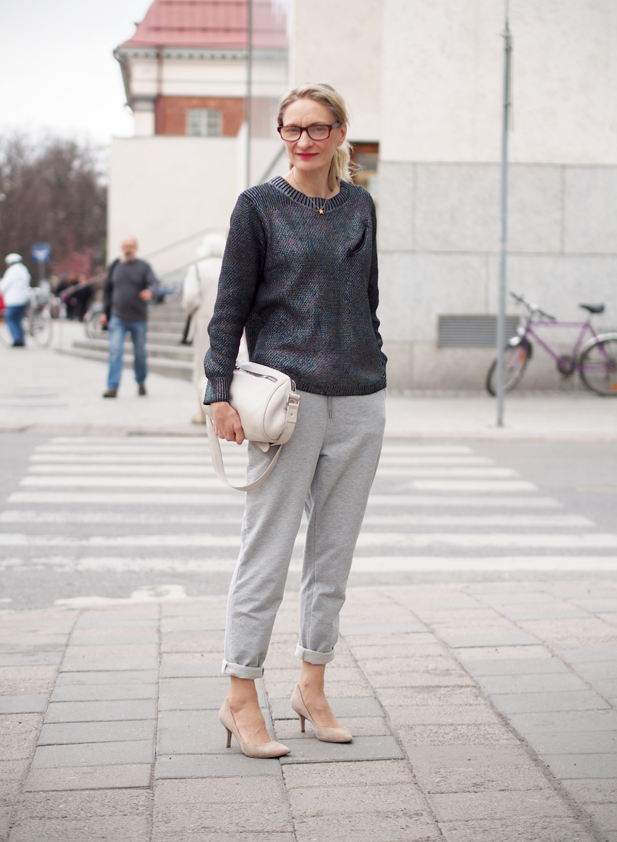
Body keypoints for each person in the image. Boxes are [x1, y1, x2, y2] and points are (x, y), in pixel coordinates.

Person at [205, 83, 387, 758]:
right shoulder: (258, 206)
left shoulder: (360, 206)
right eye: (291, 129)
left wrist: (374, 363)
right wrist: (217, 392)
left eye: (317, 128)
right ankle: (240, 695)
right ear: (281, 133)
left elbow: (367, 300)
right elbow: (229, 306)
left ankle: (312, 685)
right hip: (287, 401)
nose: (303, 140)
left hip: (360, 399)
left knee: (333, 554)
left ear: (340, 133)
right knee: (267, 550)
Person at [99, 236, 158, 397]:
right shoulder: (115, 266)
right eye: (125, 246)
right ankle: (112, 387)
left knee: (140, 353)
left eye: (131, 246)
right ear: (122, 248)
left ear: (136, 248)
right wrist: (104, 312)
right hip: (117, 317)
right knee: (115, 350)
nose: (128, 249)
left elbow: (154, 283)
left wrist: (150, 292)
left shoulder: (143, 266)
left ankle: (141, 382)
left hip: (138, 318)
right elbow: (107, 291)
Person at [182, 234, 227, 424]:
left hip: (203, 321)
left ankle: (203, 412)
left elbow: (190, 298)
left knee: (202, 366)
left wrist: (190, 312)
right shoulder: (228, 266)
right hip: (228, 321)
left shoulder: (198, 268)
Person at [0, 253, 31, 347]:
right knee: (18, 319)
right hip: (23, 299)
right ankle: (21, 338)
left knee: (10, 319)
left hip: (13, 300)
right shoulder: (24, 269)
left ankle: (17, 339)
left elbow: (3, 285)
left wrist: (1, 291)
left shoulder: (11, 271)